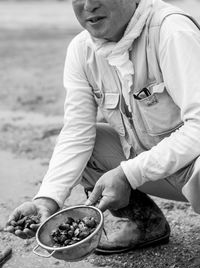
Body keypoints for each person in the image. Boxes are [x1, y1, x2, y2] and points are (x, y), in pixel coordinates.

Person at [6, 0, 200, 254]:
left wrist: (127, 174)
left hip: (194, 170)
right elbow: (77, 131)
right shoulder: (81, 49)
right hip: (158, 170)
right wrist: (47, 198)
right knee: (87, 147)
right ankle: (146, 224)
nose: (89, 5)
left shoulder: (171, 30)